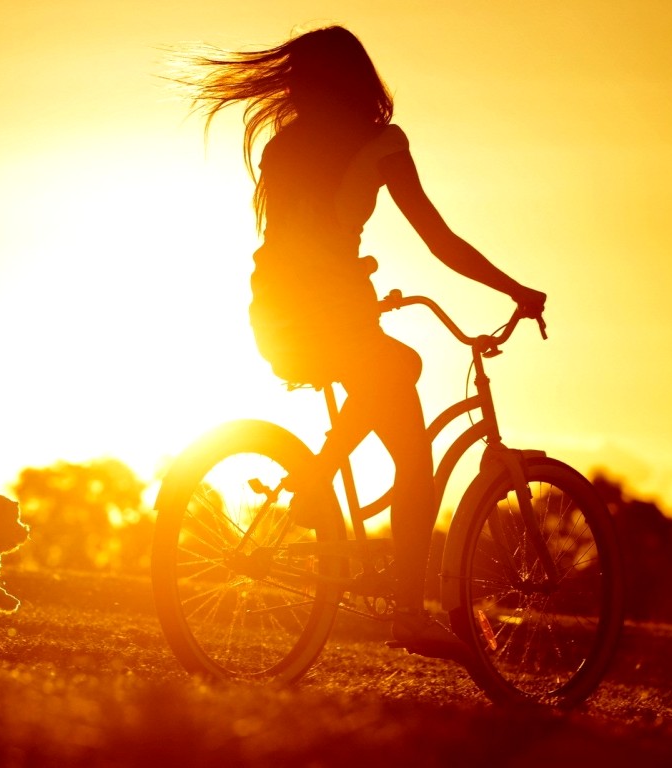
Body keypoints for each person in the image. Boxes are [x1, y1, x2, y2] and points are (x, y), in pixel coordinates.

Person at [179, 25, 546, 652]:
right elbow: (439, 240)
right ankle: (405, 608)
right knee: (410, 439)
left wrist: (355, 281)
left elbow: (294, 242)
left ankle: (316, 478)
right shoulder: (382, 143)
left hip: (275, 313)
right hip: (332, 311)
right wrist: (516, 290)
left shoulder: (282, 147)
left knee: (394, 366)